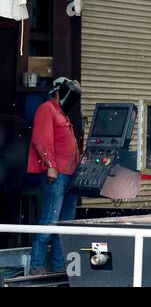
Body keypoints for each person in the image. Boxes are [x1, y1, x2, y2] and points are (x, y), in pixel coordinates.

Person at [27, 77, 80, 275]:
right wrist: (50, 165)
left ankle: (59, 267)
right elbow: (41, 139)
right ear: (59, 91)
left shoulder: (62, 114)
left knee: (64, 225)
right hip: (57, 176)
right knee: (50, 219)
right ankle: (37, 265)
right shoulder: (46, 109)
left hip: (70, 176)